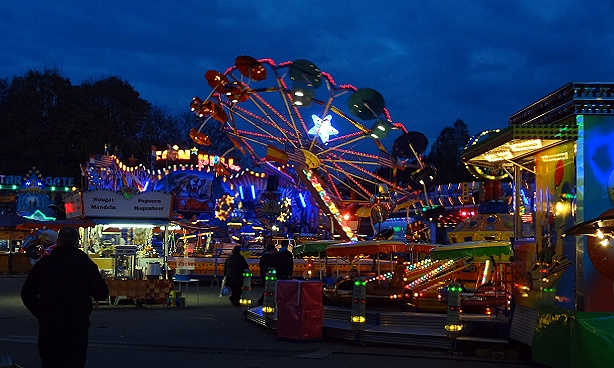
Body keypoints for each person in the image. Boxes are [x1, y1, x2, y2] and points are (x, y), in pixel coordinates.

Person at [21, 226, 109, 368]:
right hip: (76, 325)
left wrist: (40, 313)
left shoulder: (44, 264)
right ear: (77, 242)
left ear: (59, 241)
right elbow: (101, 293)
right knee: (74, 362)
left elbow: (27, 293)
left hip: (49, 323)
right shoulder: (86, 265)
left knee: (50, 362)